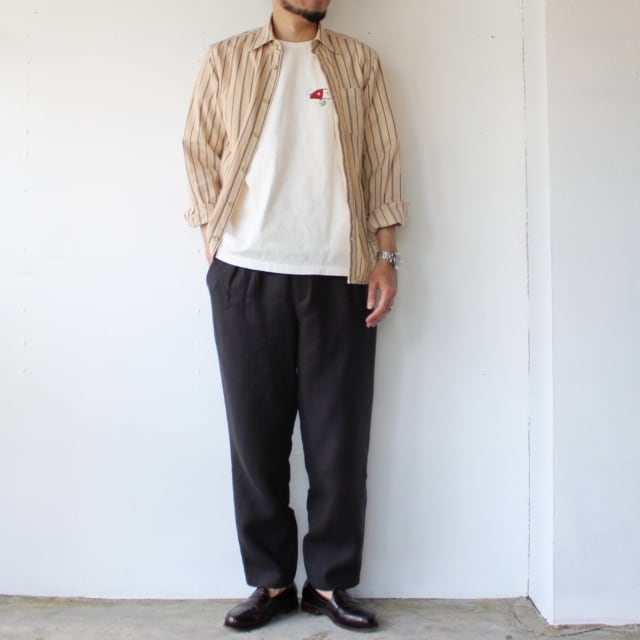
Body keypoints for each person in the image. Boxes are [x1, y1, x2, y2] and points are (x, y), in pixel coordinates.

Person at [182, 0, 407, 632]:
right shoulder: (226, 59)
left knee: (339, 440)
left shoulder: (359, 62)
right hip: (245, 272)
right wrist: (212, 239)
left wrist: (387, 256)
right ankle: (272, 581)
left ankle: (329, 584)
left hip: (341, 274)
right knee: (255, 440)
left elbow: (383, 162)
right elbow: (198, 148)